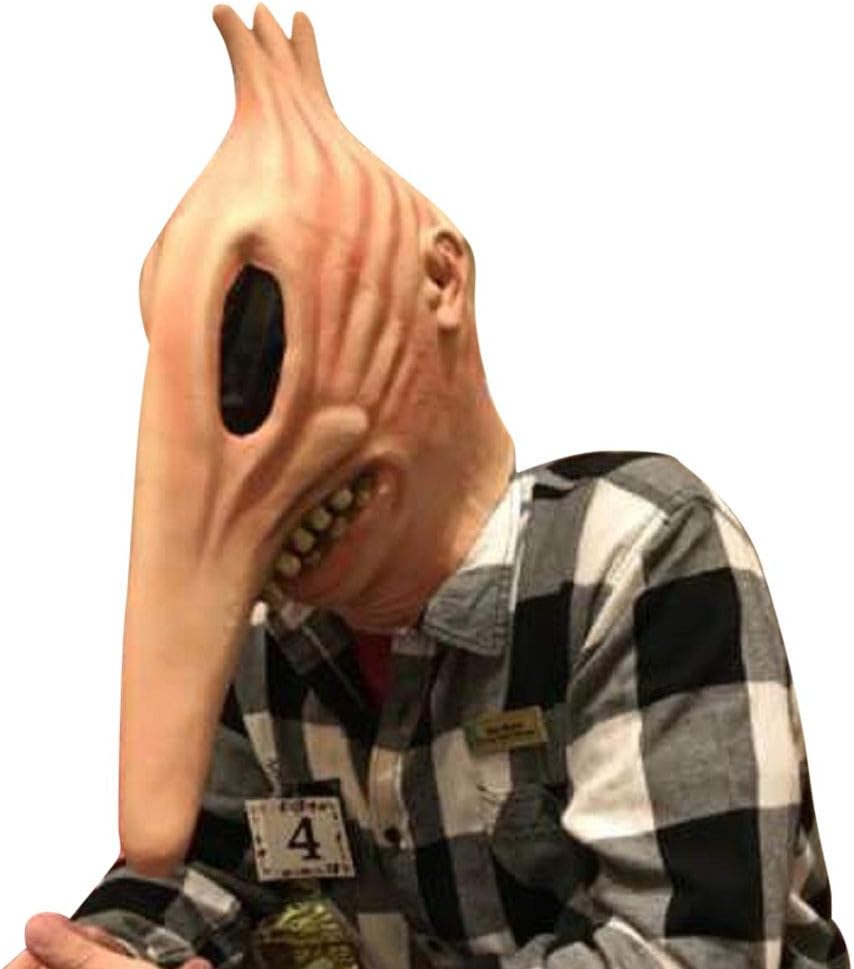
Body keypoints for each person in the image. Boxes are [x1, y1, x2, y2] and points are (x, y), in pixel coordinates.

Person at [7, 4, 849, 969]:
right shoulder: (272, 645)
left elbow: (686, 952)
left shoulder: (638, 557)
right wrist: (105, 952)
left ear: (442, 279)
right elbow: (202, 878)